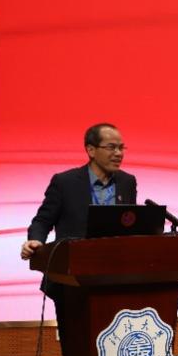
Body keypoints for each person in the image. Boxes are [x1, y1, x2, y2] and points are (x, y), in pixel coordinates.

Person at [20, 123, 137, 339]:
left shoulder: (127, 182)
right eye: (111, 147)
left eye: (121, 147)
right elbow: (42, 221)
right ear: (91, 150)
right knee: (76, 342)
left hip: (114, 278)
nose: (118, 153)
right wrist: (35, 241)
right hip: (71, 278)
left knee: (112, 343)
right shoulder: (65, 182)